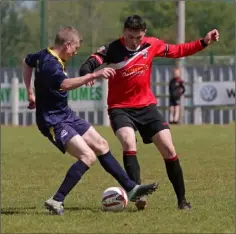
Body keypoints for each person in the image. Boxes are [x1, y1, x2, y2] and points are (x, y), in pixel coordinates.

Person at [79, 15, 219, 210]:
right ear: (124, 33)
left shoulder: (151, 44)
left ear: (143, 34)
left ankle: (182, 201)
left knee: (169, 149)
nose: (135, 42)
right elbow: (89, 63)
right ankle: (137, 194)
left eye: (138, 37)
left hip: (147, 107)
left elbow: (178, 51)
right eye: (130, 37)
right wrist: (88, 74)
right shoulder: (112, 49)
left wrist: (203, 42)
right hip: (120, 108)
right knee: (128, 141)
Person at [22, 26, 158, 215]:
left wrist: (29, 91)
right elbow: (65, 84)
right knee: (87, 156)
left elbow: (27, 62)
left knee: (101, 144)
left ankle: (131, 187)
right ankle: (56, 199)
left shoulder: (44, 54)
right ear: (67, 44)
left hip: (65, 115)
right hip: (53, 121)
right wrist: (93, 75)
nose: (76, 51)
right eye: (75, 47)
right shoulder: (50, 64)